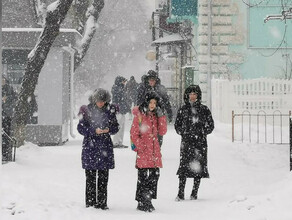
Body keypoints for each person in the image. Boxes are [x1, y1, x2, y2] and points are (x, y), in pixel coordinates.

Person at [77, 88, 119, 210]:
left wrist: (109, 130)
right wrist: (93, 131)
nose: (101, 103)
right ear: (94, 100)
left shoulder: (110, 111)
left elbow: (116, 127)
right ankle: (90, 202)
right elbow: (80, 128)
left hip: (105, 146)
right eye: (99, 101)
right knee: (90, 177)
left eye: (103, 101)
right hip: (90, 147)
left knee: (103, 177)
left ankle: (102, 202)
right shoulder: (87, 111)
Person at [174, 85, 214, 201]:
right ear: (187, 95)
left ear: (198, 95)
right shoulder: (183, 109)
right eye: (190, 94)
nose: (192, 96)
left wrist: (202, 132)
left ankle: (194, 192)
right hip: (187, 143)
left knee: (198, 168)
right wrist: (183, 132)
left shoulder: (204, 109)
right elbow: (177, 125)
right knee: (183, 167)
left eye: (195, 94)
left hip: (200, 143)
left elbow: (211, 125)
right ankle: (180, 192)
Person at [130, 91, 167, 212]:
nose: (152, 105)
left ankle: (147, 199)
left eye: (155, 103)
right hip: (144, 151)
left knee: (154, 176)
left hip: (154, 151)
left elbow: (162, 131)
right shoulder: (140, 115)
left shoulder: (156, 115)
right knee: (143, 177)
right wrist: (142, 147)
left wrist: (161, 117)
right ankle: (144, 201)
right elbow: (134, 134)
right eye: (151, 102)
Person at [136, 70, 172, 147]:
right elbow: (139, 101)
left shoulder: (161, 88)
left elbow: (166, 102)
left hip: (158, 115)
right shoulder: (143, 88)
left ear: (156, 80)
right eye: (150, 80)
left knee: (158, 134)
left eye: (153, 80)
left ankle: (157, 150)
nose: (151, 81)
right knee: (146, 134)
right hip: (146, 115)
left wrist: (169, 113)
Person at [111, 76, 131, 148]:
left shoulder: (121, 88)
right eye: (123, 81)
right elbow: (121, 100)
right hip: (118, 111)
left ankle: (119, 142)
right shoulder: (117, 89)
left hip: (121, 111)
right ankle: (116, 142)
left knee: (122, 127)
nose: (124, 83)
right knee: (118, 127)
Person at [2, 77, 17, 162]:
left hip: (6, 116)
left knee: (6, 136)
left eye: (3, 80)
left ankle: (5, 155)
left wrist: (6, 99)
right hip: (4, 115)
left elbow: (14, 98)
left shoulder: (9, 89)